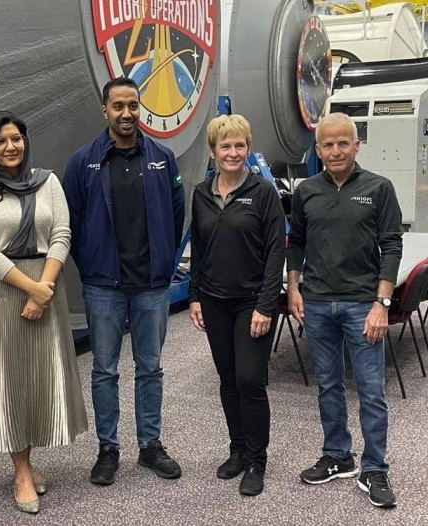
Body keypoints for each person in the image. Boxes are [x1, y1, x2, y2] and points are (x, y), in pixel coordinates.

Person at [0, 111, 88, 514]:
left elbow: (61, 234)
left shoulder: (47, 181)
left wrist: (44, 289)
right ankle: (20, 471)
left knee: (36, 376)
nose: (10, 147)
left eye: (15, 138)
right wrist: (32, 288)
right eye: (0, 141)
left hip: (46, 284)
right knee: (10, 378)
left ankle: (28, 461)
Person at [62, 76, 185, 486]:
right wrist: (91, 265)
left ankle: (150, 446)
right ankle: (108, 449)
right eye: (118, 106)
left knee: (150, 368)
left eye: (133, 105)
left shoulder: (163, 158)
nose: (127, 113)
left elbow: (176, 213)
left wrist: (165, 262)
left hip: (151, 284)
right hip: (103, 286)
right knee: (104, 370)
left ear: (140, 107)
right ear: (105, 110)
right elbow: (72, 222)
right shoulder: (84, 162)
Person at [287, 112, 403, 508]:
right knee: (329, 386)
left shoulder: (379, 188)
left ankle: (375, 468)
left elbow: (392, 245)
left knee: (371, 391)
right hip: (318, 304)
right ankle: (338, 455)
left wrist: (381, 303)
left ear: (356, 145)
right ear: (317, 149)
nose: (335, 150)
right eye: (327, 144)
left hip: (361, 305)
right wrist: (294, 287)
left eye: (343, 143)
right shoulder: (306, 191)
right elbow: (297, 242)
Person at [188, 114, 285, 496]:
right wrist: (194, 296)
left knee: (249, 379)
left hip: (253, 303)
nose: (233, 152)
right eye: (225, 146)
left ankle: (257, 461)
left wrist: (265, 304)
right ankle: (238, 451)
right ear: (213, 151)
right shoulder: (201, 192)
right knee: (227, 379)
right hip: (214, 300)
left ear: (247, 147)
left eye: (239, 145)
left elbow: (276, 251)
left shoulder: (263, 193)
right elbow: (199, 247)